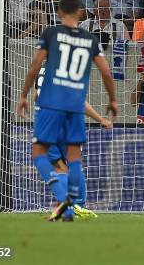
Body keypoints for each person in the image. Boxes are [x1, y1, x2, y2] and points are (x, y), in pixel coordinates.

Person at [16, 0, 118, 222]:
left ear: (59, 13)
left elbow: (34, 67)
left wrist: (23, 95)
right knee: (74, 159)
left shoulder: (51, 34)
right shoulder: (90, 40)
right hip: (75, 106)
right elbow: (106, 72)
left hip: (51, 103)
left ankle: (67, 204)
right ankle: (75, 205)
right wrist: (113, 100)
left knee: (39, 153)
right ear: (81, 13)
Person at [33, 65, 113, 219]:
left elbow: (36, 95)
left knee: (60, 169)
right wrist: (101, 119)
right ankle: (78, 206)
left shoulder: (43, 69)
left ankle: (73, 206)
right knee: (71, 165)